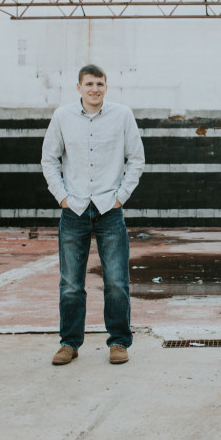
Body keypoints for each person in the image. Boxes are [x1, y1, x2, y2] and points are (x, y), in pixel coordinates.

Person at [41, 64, 145, 366]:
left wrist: (120, 197)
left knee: (116, 282)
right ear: (79, 87)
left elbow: (136, 159)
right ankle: (69, 343)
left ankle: (119, 342)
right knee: (71, 284)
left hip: (109, 210)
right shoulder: (62, 116)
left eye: (99, 84)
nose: (94, 89)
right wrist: (62, 196)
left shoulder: (122, 115)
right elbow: (49, 159)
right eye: (89, 84)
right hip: (73, 210)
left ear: (106, 87)